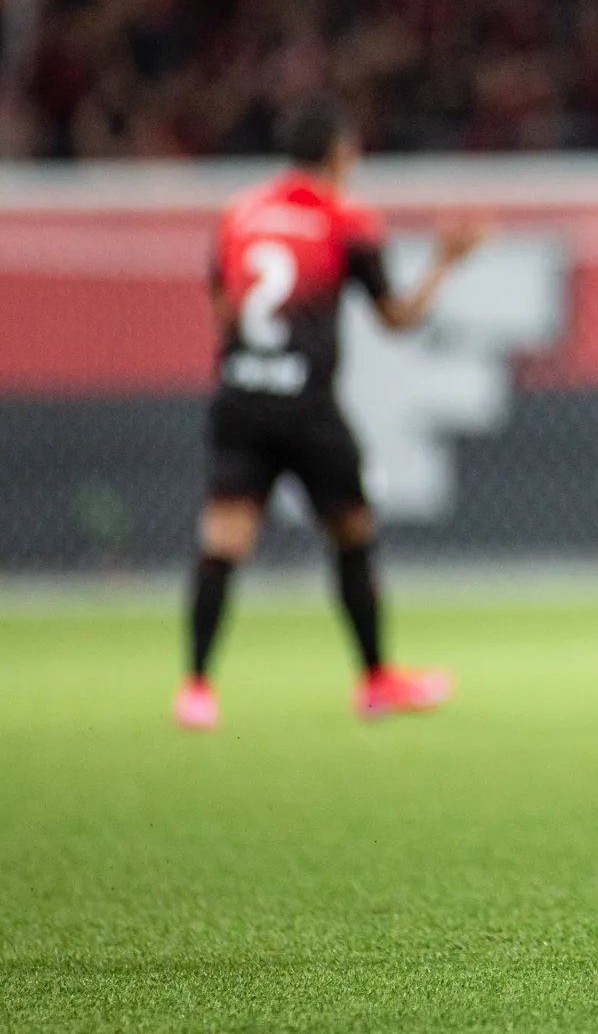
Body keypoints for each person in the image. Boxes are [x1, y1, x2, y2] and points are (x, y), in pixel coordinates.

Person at [173, 107, 482, 731]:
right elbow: (394, 320)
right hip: (308, 407)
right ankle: (375, 680)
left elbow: (219, 301)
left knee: (223, 544)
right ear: (340, 155)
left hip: (241, 398)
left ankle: (197, 690)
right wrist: (446, 263)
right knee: (352, 531)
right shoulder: (345, 219)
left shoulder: (239, 213)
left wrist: (250, 364)